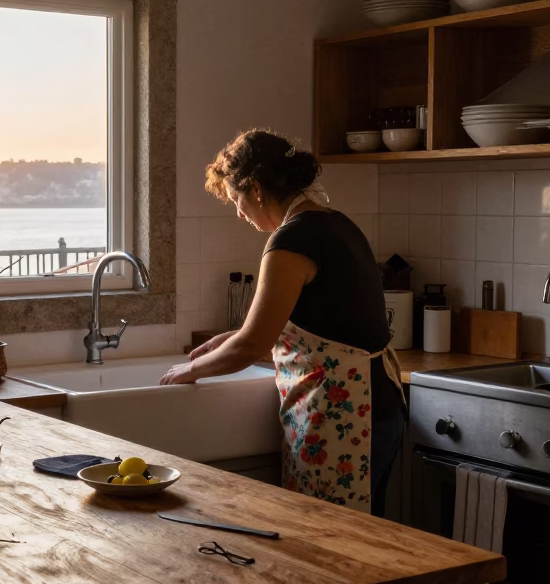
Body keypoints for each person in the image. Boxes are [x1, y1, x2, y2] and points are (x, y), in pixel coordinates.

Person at [161, 129, 405, 517]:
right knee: (355, 540)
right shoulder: (333, 223)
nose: (239, 213)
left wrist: (189, 370)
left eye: (237, 199)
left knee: (332, 543)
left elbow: (252, 346)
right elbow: (311, 321)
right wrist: (231, 336)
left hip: (345, 411)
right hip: (376, 403)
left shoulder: (292, 240)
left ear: (256, 188)